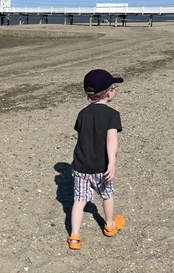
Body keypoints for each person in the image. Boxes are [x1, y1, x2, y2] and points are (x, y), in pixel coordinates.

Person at [68, 69, 126, 250]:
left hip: (81, 166)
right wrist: (112, 163)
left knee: (79, 200)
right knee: (107, 195)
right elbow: (111, 140)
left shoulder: (82, 114)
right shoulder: (112, 115)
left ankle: (75, 237)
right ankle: (109, 225)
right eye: (114, 87)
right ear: (108, 92)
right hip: (101, 167)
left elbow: (82, 136)